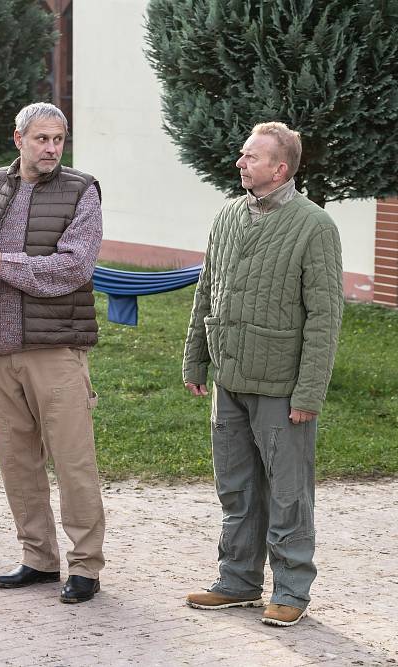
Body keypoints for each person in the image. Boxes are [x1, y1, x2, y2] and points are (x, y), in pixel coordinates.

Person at [182, 122, 343, 627]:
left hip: (282, 386)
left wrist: (309, 392)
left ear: (280, 168)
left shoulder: (314, 226)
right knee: (236, 488)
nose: (239, 163)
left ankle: (292, 592)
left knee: (289, 493)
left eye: (250, 157)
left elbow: (325, 315)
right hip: (229, 377)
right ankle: (237, 582)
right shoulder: (227, 215)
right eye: (242, 155)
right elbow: (207, 290)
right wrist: (195, 358)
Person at [0, 102, 105, 604]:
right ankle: (38, 558)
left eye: (58, 140)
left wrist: (3, 263)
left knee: (73, 463)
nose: (50, 149)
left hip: (55, 349)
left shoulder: (81, 191)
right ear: (18, 138)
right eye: (41, 139)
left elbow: (73, 267)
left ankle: (85, 566)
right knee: (17, 463)